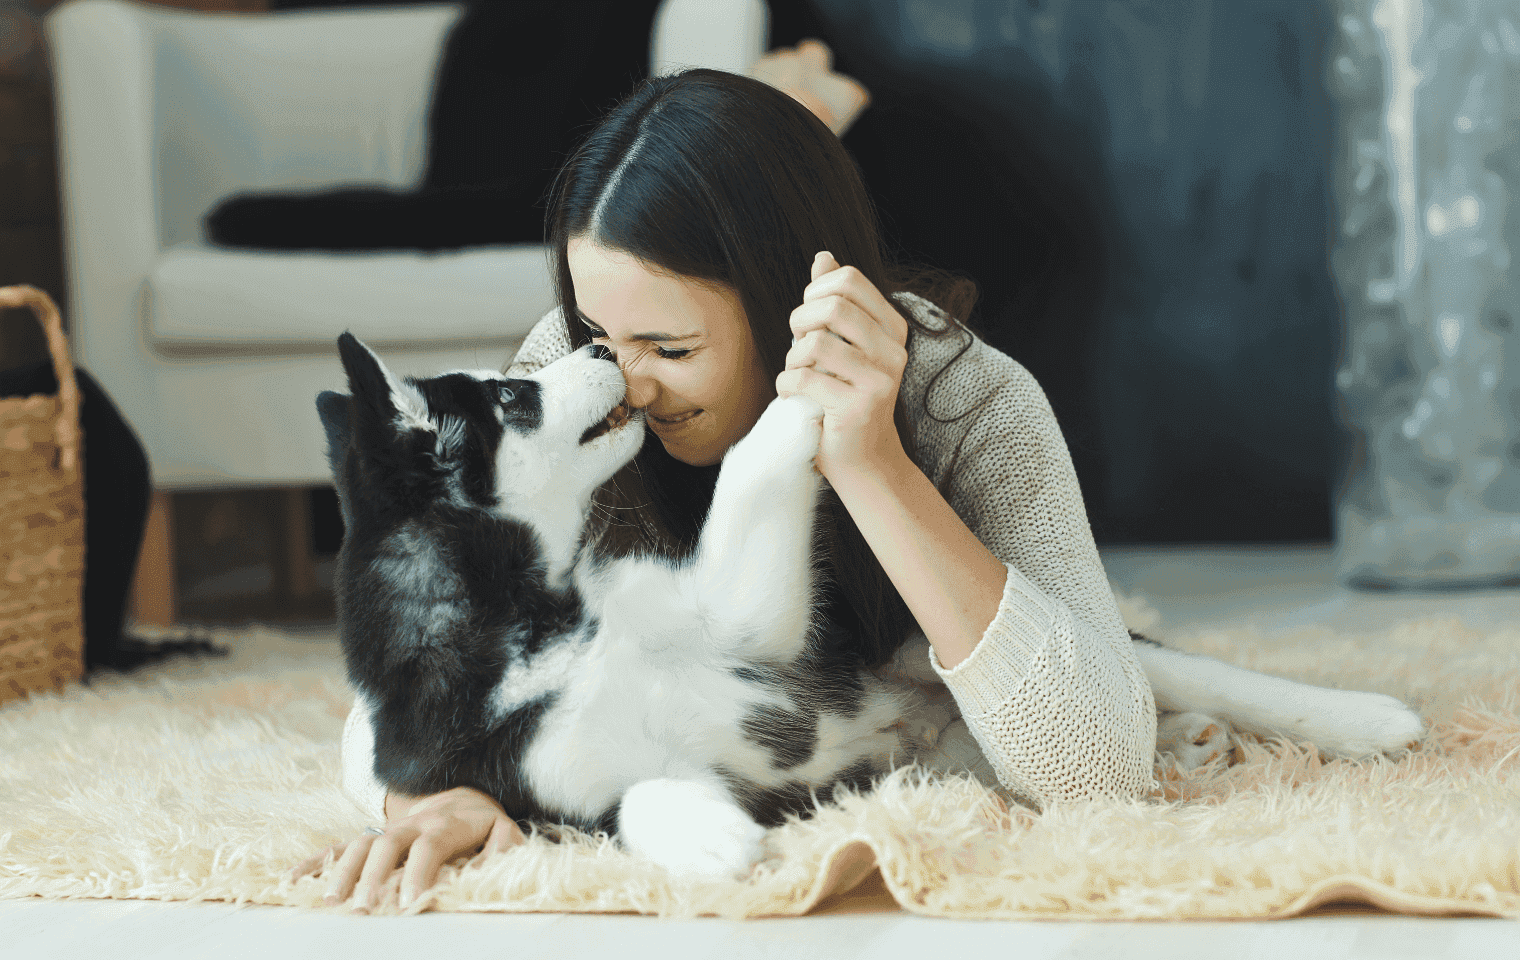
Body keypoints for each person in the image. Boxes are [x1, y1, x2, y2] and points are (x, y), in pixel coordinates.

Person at [293, 66, 1157, 913]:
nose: (622, 381)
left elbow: (1100, 768)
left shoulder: (967, 401)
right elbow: (414, 664)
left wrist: (871, 462)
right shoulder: (574, 378)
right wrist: (436, 795)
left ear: (791, 307)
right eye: (597, 331)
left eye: (670, 351)